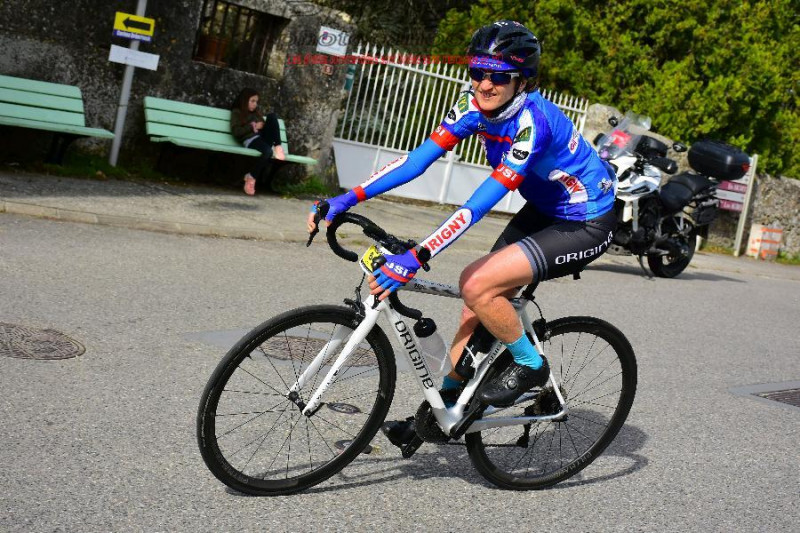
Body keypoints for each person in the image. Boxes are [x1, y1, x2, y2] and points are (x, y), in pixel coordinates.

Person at [306, 20, 618, 449]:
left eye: (499, 77)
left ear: (522, 80)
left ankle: (531, 366)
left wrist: (418, 255)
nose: (485, 84)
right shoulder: (471, 106)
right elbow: (415, 162)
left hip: (585, 221)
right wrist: (346, 198)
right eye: (477, 72)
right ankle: (445, 411)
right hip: (544, 209)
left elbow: (477, 205)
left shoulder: (533, 122)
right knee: (476, 309)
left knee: (476, 284)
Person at [230, 88, 285, 195]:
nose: (255, 104)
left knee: (272, 116)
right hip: (250, 140)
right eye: (252, 101)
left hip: (261, 138)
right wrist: (253, 127)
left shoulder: (256, 113)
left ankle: (278, 147)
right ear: (244, 100)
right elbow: (236, 132)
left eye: (256, 102)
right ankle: (251, 177)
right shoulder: (237, 112)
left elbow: (265, 127)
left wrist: (263, 126)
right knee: (268, 152)